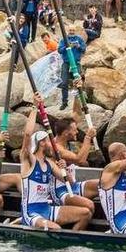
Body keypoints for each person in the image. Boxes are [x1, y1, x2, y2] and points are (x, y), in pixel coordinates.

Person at [19, 94, 92, 230]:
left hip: (47, 209)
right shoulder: (28, 160)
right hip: (32, 212)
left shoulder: (49, 164)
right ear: (41, 143)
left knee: (85, 213)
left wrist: (64, 169)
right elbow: (28, 135)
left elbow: (69, 181)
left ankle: (70, 247)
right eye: (48, 141)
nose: (52, 144)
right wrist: (35, 107)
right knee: (56, 228)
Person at [49, 98, 99, 213]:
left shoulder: (65, 135)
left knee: (104, 185)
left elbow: (76, 114)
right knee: (89, 206)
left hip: (73, 185)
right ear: (66, 133)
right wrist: (87, 138)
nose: (77, 132)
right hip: (60, 190)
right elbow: (80, 160)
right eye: (75, 130)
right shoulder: (56, 148)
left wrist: (77, 94)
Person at [58, 25, 86, 110]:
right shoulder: (64, 39)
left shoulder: (79, 39)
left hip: (76, 63)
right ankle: (64, 102)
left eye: (73, 30)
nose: (72, 32)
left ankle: (82, 102)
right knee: (64, 83)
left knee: (79, 83)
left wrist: (78, 46)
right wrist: (67, 46)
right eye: (70, 30)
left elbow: (84, 49)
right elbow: (59, 50)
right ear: (68, 30)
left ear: (75, 31)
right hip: (66, 63)